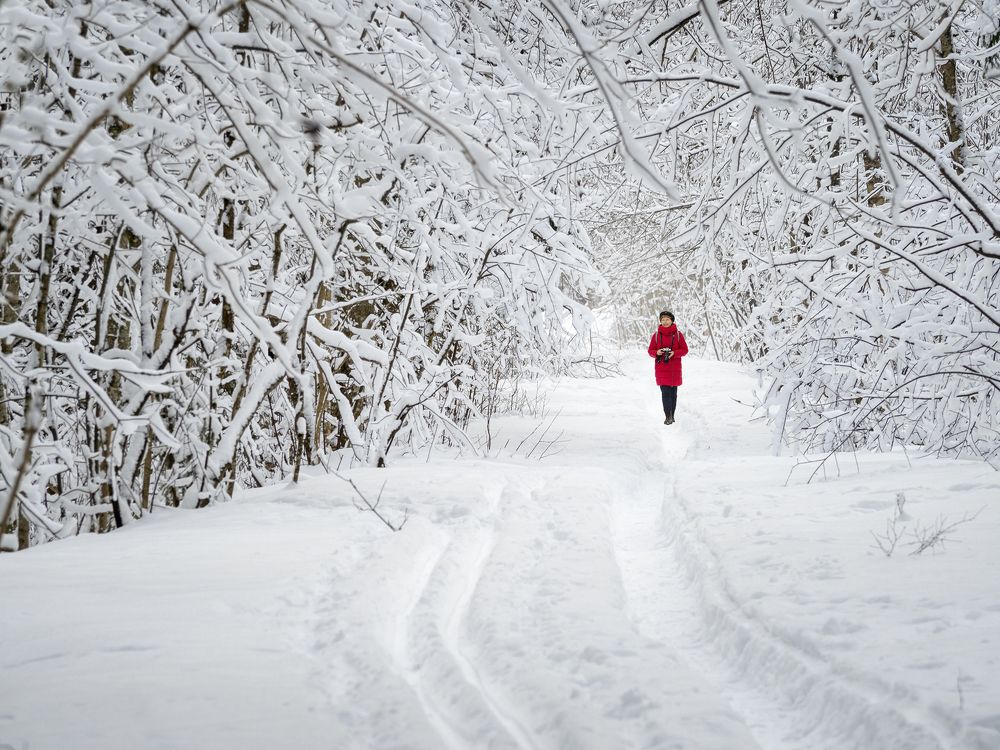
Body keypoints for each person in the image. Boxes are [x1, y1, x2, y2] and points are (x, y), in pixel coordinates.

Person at [647, 310, 689, 425]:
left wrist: (674, 353)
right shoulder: (655, 336)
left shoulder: (678, 335)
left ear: (672, 321)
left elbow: (685, 350)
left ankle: (672, 415)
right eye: (663, 320)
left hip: (675, 370)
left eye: (667, 319)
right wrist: (658, 352)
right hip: (661, 369)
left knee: (673, 394)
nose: (665, 322)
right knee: (665, 393)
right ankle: (668, 416)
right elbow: (650, 351)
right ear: (660, 321)